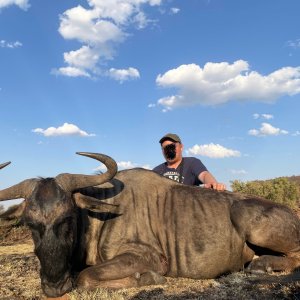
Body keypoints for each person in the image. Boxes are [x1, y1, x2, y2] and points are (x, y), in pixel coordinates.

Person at [153, 133, 226, 191]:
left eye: (172, 147)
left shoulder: (192, 163)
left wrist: (212, 183)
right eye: (165, 148)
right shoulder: (156, 171)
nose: (169, 150)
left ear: (181, 147)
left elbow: (204, 175)